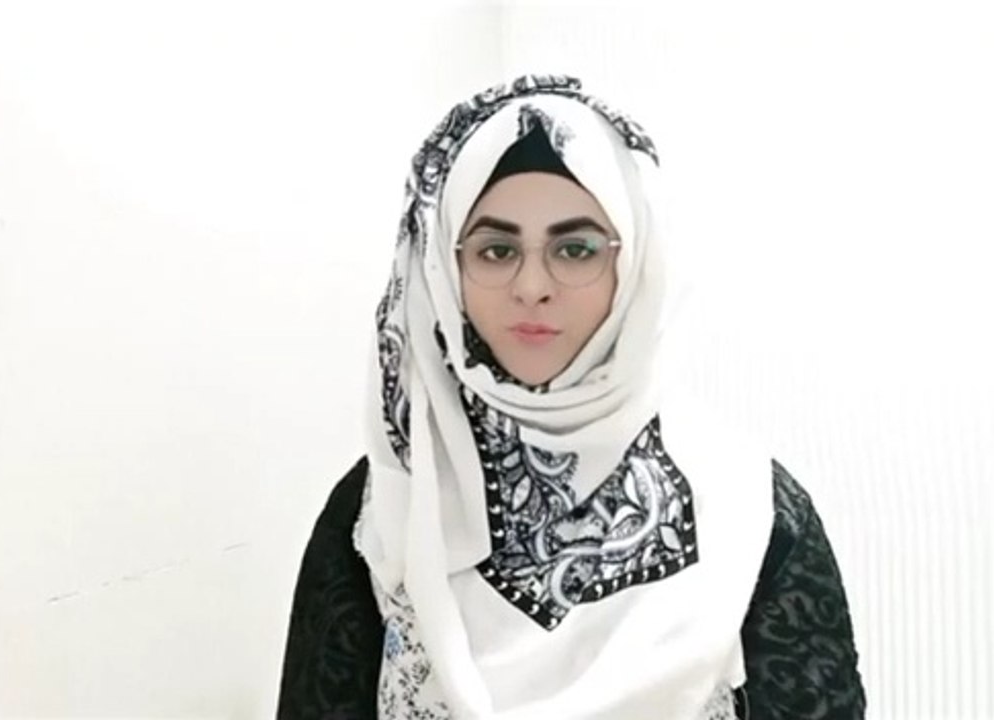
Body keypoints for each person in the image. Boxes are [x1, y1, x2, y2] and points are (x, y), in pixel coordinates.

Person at [276, 74, 865, 720]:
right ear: (445, 269)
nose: (532, 285)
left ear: (634, 264)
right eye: (496, 250)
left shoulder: (746, 507)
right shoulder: (387, 504)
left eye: (576, 249)